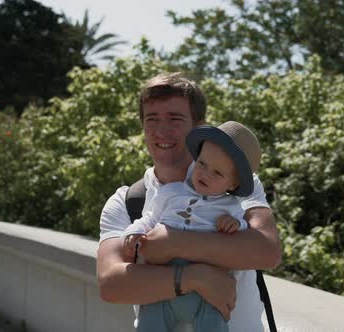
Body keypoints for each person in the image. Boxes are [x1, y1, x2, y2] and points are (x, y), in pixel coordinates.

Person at [97, 72, 281, 332]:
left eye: (175, 118)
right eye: (152, 119)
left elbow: (267, 251)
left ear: (199, 126)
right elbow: (111, 284)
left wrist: (172, 243)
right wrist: (195, 278)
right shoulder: (126, 202)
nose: (162, 130)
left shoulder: (234, 181)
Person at [121, 121, 264, 331]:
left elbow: (243, 237)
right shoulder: (172, 192)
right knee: (149, 321)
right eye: (202, 164)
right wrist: (134, 232)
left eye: (217, 173)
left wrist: (235, 224)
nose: (205, 174)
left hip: (208, 295)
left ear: (233, 184)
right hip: (163, 284)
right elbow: (151, 218)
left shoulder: (231, 207)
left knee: (214, 325)